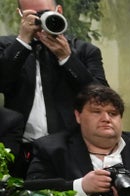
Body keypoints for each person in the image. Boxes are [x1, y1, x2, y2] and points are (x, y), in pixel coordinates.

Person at [0, 0, 104, 143]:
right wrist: (23, 42)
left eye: (45, 13)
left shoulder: (84, 51)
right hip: (20, 144)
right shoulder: (8, 47)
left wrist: (67, 58)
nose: (39, 20)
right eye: (33, 15)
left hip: (69, 145)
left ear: (59, 12)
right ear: (20, 15)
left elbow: (101, 98)